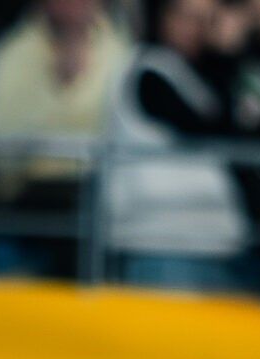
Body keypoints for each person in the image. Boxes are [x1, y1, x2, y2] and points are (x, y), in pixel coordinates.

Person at [103, 0, 250, 290]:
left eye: (204, 20)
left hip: (208, 244)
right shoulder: (148, 70)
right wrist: (225, 55)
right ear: (160, 16)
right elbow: (210, 129)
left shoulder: (191, 73)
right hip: (161, 245)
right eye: (183, 16)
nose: (192, 29)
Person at [0, 0, 133, 246]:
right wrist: (59, 83)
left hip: (98, 197)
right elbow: (0, 154)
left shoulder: (123, 55)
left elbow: (126, 143)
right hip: (29, 197)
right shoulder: (10, 56)